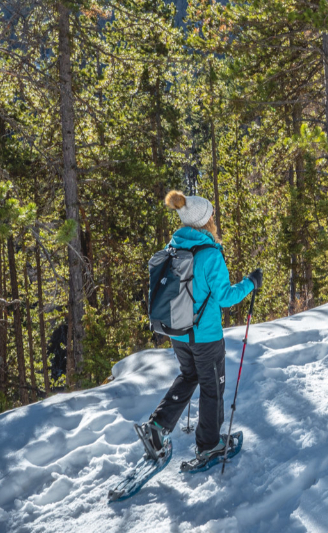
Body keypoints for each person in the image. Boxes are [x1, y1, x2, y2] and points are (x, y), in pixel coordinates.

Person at [140, 190, 262, 469]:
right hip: (206, 337)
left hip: (178, 333)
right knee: (212, 388)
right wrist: (250, 283)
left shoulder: (174, 247)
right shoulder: (209, 255)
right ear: (205, 222)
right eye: (212, 217)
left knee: (189, 376)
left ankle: (158, 426)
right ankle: (209, 446)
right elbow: (226, 298)